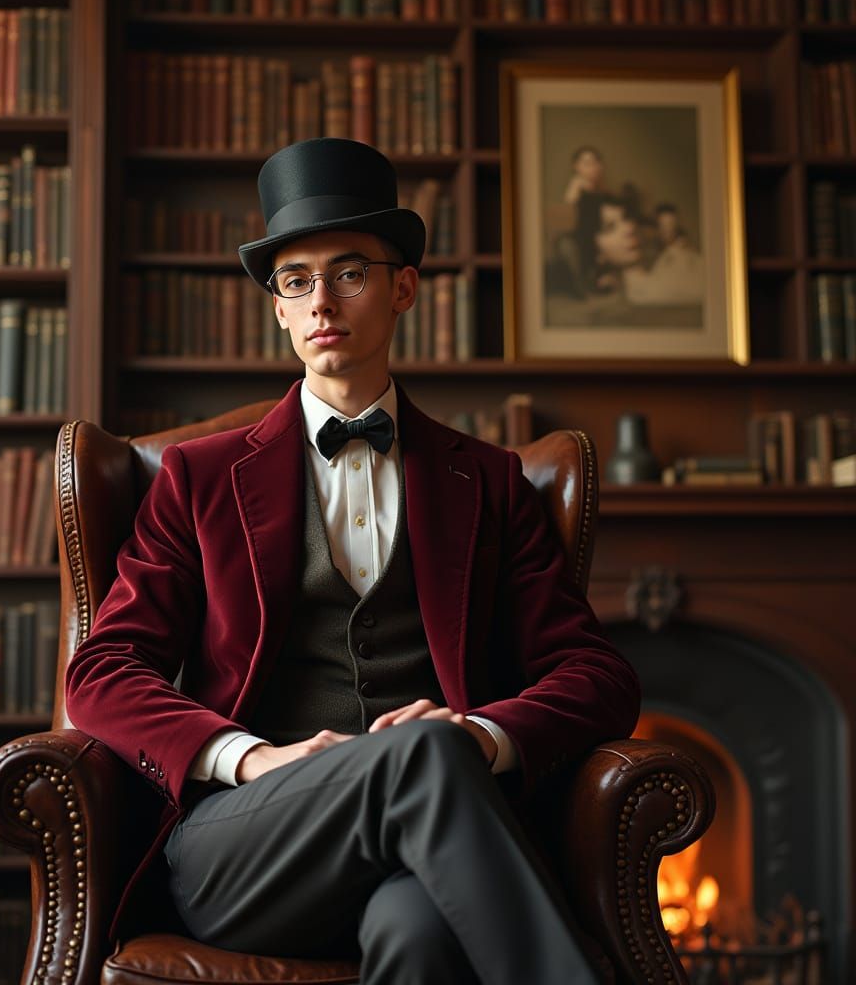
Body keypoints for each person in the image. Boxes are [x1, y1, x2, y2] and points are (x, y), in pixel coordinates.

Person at [65, 137, 641, 985]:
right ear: (279, 309)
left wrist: (481, 737)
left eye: (351, 272)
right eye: (295, 281)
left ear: (403, 286)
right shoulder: (198, 479)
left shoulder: (487, 483)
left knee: (418, 929)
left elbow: (597, 676)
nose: (322, 300)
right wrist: (251, 757)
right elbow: (102, 672)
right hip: (244, 845)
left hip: (426, 843)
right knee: (426, 758)